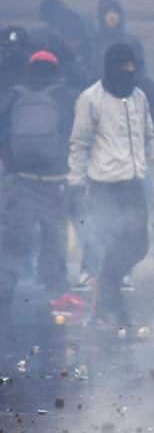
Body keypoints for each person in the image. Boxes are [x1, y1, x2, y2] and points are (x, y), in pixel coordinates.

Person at [68, 44, 154, 327]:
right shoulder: (90, 99)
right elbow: (79, 145)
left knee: (138, 245)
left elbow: (149, 137)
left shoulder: (139, 97)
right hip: (104, 188)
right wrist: (76, 184)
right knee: (111, 243)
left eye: (132, 68)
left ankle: (105, 289)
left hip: (134, 185)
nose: (128, 73)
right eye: (122, 68)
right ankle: (113, 309)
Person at [0, 50, 79, 315]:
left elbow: (3, 137)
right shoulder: (64, 96)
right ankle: (57, 293)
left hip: (21, 182)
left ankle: (4, 291)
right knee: (54, 239)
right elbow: (74, 136)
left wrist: (11, 168)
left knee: (14, 241)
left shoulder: (14, 96)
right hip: (55, 182)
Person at [93, 0, 144, 82]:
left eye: (115, 12)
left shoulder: (131, 42)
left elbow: (140, 68)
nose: (112, 16)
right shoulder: (94, 41)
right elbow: (91, 69)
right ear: (102, 16)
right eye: (107, 12)